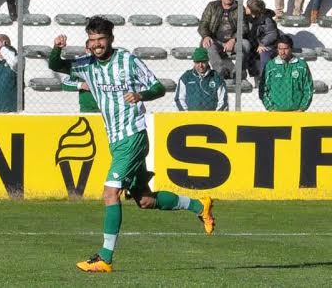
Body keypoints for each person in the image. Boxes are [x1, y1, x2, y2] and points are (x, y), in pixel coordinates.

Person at [48, 16, 215, 273]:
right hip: (115, 139)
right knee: (145, 200)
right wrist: (57, 48)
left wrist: (141, 95)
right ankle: (199, 206)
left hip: (133, 136)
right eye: (92, 40)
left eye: (100, 39)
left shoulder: (128, 61)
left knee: (110, 192)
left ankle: (105, 257)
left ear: (110, 39)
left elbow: (159, 88)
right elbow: (57, 65)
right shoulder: (88, 65)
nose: (96, 45)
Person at [198, 0, 250, 79]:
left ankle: (236, 73)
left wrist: (233, 39)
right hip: (216, 40)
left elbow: (243, 27)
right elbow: (203, 24)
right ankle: (221, 71)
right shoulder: (212, 6)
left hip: (234, 41)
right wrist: (206, 36)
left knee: (245, 45)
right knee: (207, 45)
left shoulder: (239, 7)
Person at [262, 35, 313, 112]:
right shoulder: (270, 66)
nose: (282, 52)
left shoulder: (301, 65)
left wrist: (302, 108)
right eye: (280, 49)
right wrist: (270, 108)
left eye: (285, 49)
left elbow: (308, 89)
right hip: (275, 113)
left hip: (296, 113)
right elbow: (263, 89)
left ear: (291, 48)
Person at [175, 47, 228, 111]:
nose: (200, 65)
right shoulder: (186, 77)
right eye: (197, 62)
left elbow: (223, 100)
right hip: (191, 118)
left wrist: (215, 116)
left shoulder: (216, 77)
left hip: (211, 118)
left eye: (203, 62)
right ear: (194, 62)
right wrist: (187, 115)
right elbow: (180, 99)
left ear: (207, 61)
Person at [244, 0, 278, 98]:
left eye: (248, 6)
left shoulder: (266, 19)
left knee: (264, 53)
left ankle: (265, 80)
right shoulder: (250, 18)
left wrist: (263, 43)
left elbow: (272, 34)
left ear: (253, 9)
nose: (245, 8)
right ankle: (256, 79)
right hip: (255, 43)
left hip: (269, 44)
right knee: (249, 51)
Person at [60, 41, 100, 113]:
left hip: (109, 108)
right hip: (88, 109)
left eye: (97, 48)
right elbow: (64, 84)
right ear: (87, 50)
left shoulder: (112, 63)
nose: (95, 51)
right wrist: (81, 85)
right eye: (91, 48)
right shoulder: (80, 64)